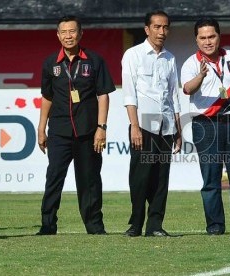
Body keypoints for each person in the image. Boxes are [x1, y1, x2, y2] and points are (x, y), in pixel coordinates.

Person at [37, 15, 116, 235]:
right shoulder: (50, 63)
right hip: (60, 132)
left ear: (80, 34)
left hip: (88, 132)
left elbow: (103, 95)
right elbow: (47, 97)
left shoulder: (94, 60)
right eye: (64, 32)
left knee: (89, 181)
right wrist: (41, 128)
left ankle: (94, 227)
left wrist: (102, 128)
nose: (68, 36)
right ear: (58, 35)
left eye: (72, 31)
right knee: (54, 178)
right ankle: (48, 225)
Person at [181, 18, 230, 235]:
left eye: (211, 36)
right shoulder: (190, 63)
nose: (208, 42)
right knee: (211, 179)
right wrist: (201, 75)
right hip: (206, 126)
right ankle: (215, 226)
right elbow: (187, 89)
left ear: (219, 36)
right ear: (196, 39)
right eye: (203, 38)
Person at [121, 10, 182, 237]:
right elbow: (129, 95)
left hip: (166, 126)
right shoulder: (133, 55)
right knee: (140, 177)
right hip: (143, 125)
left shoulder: (171, 58)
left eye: (165, 27)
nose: (162, 32)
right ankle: (135, 224)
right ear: (147, 29)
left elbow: (173, 96)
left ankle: (155, 225)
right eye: (157, 27)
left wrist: (178, 128)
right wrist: (134, 127)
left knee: (160, 178)